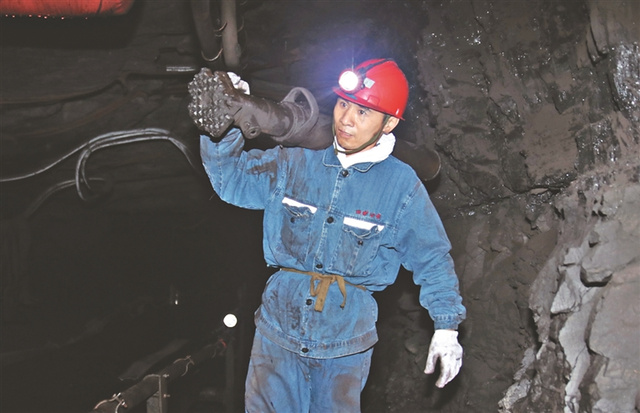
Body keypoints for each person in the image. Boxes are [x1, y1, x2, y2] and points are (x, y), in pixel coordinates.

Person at [197, 58, 466, 412]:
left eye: (363, 112)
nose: (346, 119)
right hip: (277, 334)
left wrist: (446, 327)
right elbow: (229, 180)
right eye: (342, 104)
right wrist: (224, 125)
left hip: (344, 346)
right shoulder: (295, 163)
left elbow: (432, 258)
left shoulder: (401, 187)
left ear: (389, 123)